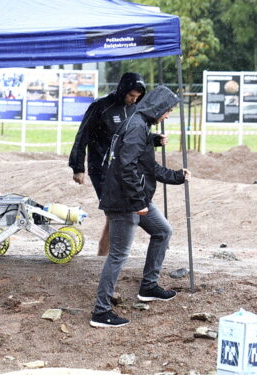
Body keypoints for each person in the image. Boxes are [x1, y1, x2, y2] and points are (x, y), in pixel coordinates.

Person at [90, 86, 190, 328]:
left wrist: (176, 176)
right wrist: (139, 203)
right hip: (126, 202)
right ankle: (101, 312)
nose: (167, 116)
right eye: (168, 111)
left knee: (162, 231)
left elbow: (147, 166)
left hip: (135, 199)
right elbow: (126, 167)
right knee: (118, 255)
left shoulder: (140, 125)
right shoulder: (136, 126)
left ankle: (149, 286)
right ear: (158, 108)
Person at [69, 72, 146, 256]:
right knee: (115, 214)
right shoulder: (101, 106)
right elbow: (82, 135)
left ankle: (105, 257)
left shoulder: (135, 108)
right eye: (131, 96)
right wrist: (78, 167)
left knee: (117, 215)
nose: (134, 100)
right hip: (101, 168)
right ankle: (106, 257)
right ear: (122, 90)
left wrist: (155, 140)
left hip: (123, 169)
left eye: (137, 97)